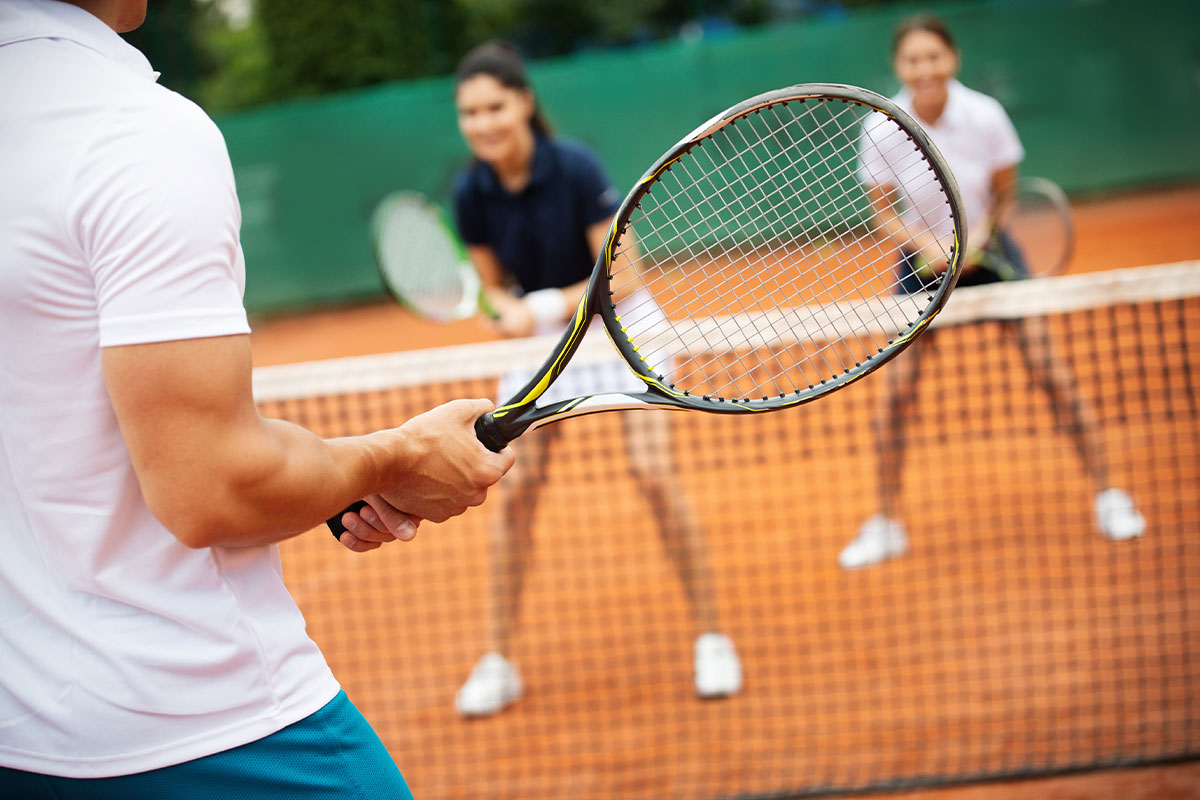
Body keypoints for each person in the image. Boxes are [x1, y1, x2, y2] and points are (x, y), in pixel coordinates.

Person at [0, 1, 514, 797]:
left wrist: (343, 474)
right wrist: (400, 456)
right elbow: (214, 485)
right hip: (199, 730)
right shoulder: (132, 132)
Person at [447, 41, 743, 717]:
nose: (483, 122)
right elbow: (492, 289)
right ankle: (498, 660)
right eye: (469, 113)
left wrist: (541, 306)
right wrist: (501, 313)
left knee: (652, 474)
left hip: (622, 325)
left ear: (523, 102)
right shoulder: (471, 192)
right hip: (547, 345)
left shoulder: (575, 166)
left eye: (494, 106)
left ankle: (711, 637)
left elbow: (626, 273)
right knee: (513, 496)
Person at [840, 13, 1146, 570]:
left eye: (934, 56)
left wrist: (972, 239)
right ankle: (885, 522)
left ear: (952, 59)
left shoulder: (985, 115)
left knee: (1050, 371)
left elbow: (1006, 195)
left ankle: (1109, 494)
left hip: (991, 252)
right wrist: (927, 244)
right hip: (920, 261)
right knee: (896, 395)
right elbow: (882, 214)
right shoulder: (883, 126)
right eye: (913, 59)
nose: (925, 68)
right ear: (898, 66)